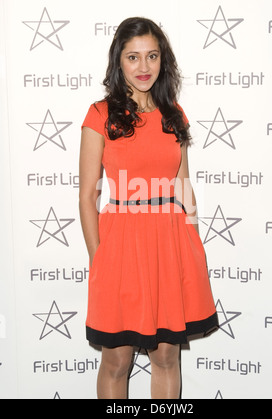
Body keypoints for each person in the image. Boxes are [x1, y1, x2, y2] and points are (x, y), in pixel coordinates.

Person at [79, 17, 218, 400]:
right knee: (116, 361)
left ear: (163, 59)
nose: (144, 67)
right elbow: (87, 197)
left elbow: (183, 185)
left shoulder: (174, 114)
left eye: (152, 56)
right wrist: (99, 258)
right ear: (118, 62)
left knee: (167, 358)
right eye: (133, 57)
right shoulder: (100, 115)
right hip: (122, 248)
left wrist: (193, 246)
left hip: (170, 245)